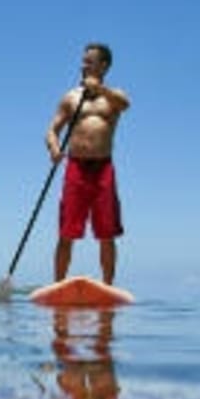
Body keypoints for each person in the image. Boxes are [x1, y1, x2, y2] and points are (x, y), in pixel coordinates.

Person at [46, 42, 130, 285]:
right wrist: (53, 148)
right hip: (76, 168)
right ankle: (58, 285)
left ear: (103, 66)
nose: (83, 66)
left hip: (103, 169)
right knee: (66, 232)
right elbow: (52, 130)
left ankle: (108, 287)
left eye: (89, 61)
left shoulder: (114, 97)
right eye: (83, 61)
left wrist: (100, 89)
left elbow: (125, 105)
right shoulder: (71, 97)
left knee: (107, 233)